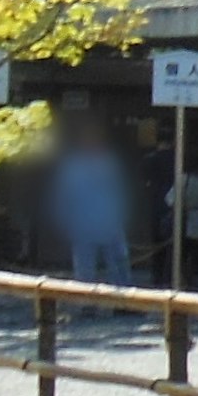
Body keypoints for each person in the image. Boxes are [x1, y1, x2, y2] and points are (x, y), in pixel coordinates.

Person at [47, 116, 132, 285]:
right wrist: (64, 222)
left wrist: (120, 217)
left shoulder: (109, 162)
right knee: (85, 269)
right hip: (82, 225)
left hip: (110, 224)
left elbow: (120, 192)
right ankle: (86, 305)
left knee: (119, 265)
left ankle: (123, 303)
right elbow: (62, 196)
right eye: (89, 138)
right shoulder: (72, 166)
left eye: (96, 138)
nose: (93, 142)